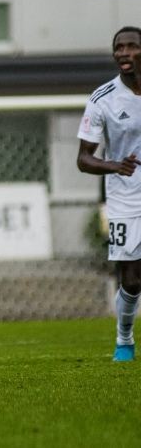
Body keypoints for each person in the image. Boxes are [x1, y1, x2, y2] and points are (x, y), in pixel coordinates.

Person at [77, 25, 141, 362]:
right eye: (119, 47)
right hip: (126, 197)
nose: (124, 53)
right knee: (132, 280)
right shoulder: (103, 98)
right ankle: (124, 339)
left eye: (132, 47)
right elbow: (83, 158)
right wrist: (115, 165)